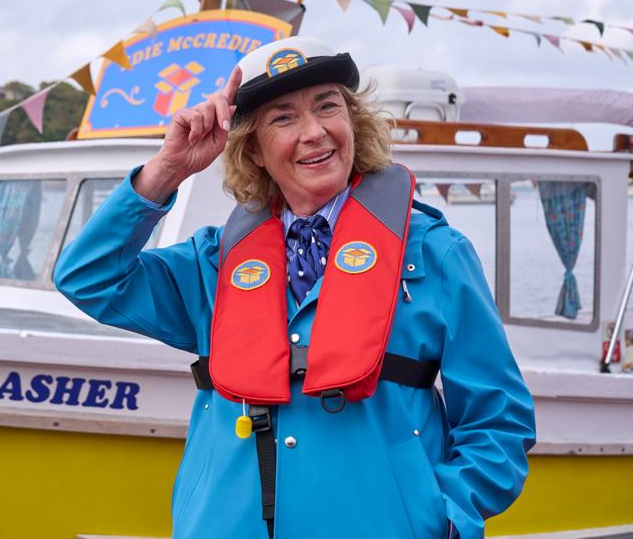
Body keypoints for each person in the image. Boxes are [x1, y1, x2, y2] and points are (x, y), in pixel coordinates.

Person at [54, 36, 535, 539]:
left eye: (328, 107)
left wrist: (445, 518)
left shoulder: (436, 254)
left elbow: (498, 422)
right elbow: (88, 278)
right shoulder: (212, 264)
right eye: (283, 118)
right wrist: (165, 171)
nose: (315, 132)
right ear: (255, 152)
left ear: (353, 122)